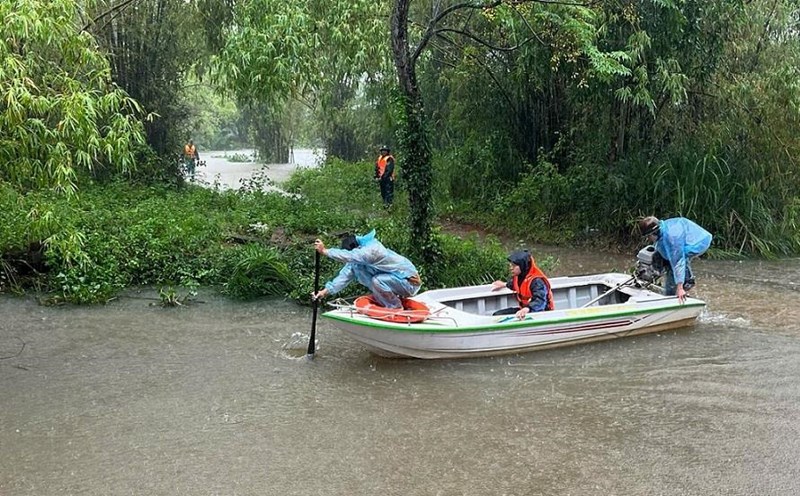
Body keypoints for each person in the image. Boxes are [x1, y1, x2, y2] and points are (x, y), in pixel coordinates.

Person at [313, 230, 421, 309]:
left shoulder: (374, 250)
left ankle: (395, 308)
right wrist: (323, 292)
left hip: (409, 282)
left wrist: (325, 251)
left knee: (377, 280)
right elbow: (343, 277)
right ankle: (393, 302)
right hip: (394, 282)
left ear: (358, 248)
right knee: (376, 280)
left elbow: (351, 256)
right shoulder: (356, 262)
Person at [638, 215, 712, 304]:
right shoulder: (662, 231)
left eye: (648, 236)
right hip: (682, 236)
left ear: (655, 232)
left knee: (674, 264)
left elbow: (678, 261)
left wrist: (679, 287)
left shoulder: (672, 238)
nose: (648, 238)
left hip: (698, 241)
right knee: (660, 256)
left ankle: (686, 283)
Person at [491, 250, 554, 319]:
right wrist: (504, 284)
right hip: (526, 310)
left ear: (522, 265)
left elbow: (540, 300)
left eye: (514, 266)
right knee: (497, 315)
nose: (511, 268)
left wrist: (527, 308)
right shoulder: (520, 276)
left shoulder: (537, 281)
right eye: (510, 265)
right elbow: (516, 285)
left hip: (540, 313)